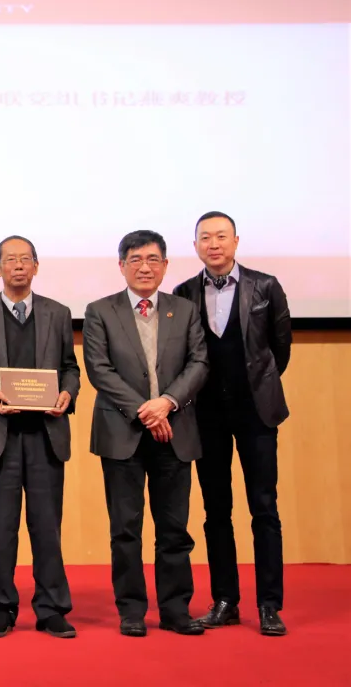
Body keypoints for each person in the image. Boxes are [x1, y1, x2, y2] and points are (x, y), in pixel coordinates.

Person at [83, 229, 210, 637]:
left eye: (153, 259)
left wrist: (167, 403)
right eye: (135, 259)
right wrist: (146, 411)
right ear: (121, 266)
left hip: (175, 431)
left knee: (174, 529)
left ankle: (175, 609)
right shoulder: (100, 311)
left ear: (166, 265)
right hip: (122, 432)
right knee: (125, 529)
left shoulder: (184, 310)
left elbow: (199, 363)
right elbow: (99, 369)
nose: (144, 267)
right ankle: (132, 610)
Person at [0, 236, 80, 639]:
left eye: (26, 259)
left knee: (47, 528)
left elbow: (70, 368)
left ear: (36, 266)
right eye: (10, 260)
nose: (19, 266)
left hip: (46, 435)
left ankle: (52, 608)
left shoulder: (58, 314)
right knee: (0, 528)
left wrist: (68, 393)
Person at [173, 211, 292, 636]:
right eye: (205, 238)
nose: (214, 244)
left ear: (236, 241)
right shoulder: (184, 292)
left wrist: (252, 387)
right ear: (195, 246)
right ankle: (225, 600)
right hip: (206, 415)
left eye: (221, 236)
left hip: (256, 412)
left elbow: (279, 349)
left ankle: (269, 604)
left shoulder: (265, 286)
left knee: (264, 506)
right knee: (216, 509)